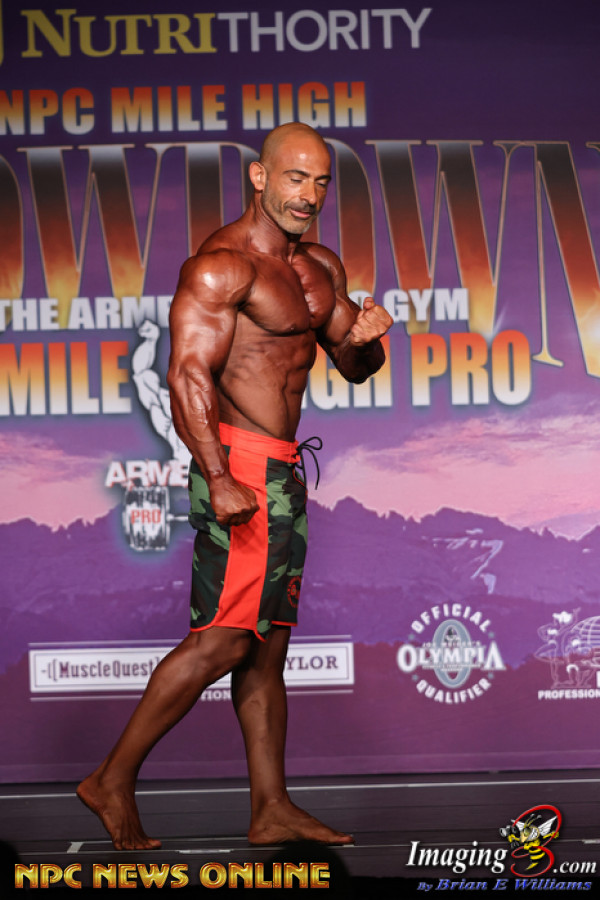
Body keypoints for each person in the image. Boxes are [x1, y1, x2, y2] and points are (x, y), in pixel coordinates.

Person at [77, 122, 393, 851]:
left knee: (266, 647)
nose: (308, 195)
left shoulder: (319, 267)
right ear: (259, 177)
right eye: (294, 178)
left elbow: (352, 365)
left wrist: (369, 337)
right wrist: (217, 476)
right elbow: (186, 374)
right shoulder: (221, 268)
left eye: (320, 182)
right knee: (222, 640)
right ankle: (111, 780)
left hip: (284, 469)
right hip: (241, 466)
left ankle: (270, 806)